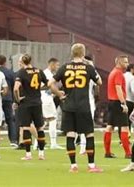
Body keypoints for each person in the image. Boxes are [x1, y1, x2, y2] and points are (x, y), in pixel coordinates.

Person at [48, 43, 103, 173]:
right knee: (89, 134)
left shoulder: (64, 67)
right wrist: (91, 67)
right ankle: (91, 165)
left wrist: (58, 93)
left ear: (72, 53)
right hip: (83, 106)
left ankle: (73, 166)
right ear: (83, 53)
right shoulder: (87, 67)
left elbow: (50, 83)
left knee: (70, 135)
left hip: (68, 105)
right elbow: (99, 82)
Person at [14, 54, 48, 161]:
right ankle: (41, 153)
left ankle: (28, 154)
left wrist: (18, 99)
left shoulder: (21, 72)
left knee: (26, 128)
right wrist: (39, 89)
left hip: (26, 103)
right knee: (40, 128)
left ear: (22, 62)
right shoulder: (39, 71)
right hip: (37, 102)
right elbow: (48, 84)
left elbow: (16, 88)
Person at [104, 55, 131, 159]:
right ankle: (128, 153)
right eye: (125, 62)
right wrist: (123, 103)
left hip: (111, 101)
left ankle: (107, 152)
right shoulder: (119, 73)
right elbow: (118, 88)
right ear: (119, 63)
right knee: (124, 127)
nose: (127, 64)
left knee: (109, 126)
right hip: (117, 102)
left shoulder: (112, 72)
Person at [42, 57, 62, 149]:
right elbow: (51, 87)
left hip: (44, 97)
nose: (58, 67)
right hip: (46, 98)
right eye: (57, 65)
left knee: (43, 121)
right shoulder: (48, 74)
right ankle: (53, 143)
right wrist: (59, 93)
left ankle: (37, 143)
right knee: (52, 119)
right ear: (52, 64)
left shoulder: (44, 72)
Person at [0, 55, 17, 147]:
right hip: (8, 98)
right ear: (5, 62)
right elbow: (13, 86)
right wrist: (14, 99)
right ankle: (13, 139)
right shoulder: (9, 72)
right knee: (10, 119)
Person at [124, 63, 134, 130]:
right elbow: (133, 90)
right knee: (129, 121)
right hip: (130, 100)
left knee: (123, 121)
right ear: (131, 69)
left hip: (122, 100)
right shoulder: (133, 78)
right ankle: (127, 136)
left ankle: (122, 137)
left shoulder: (122, 76)